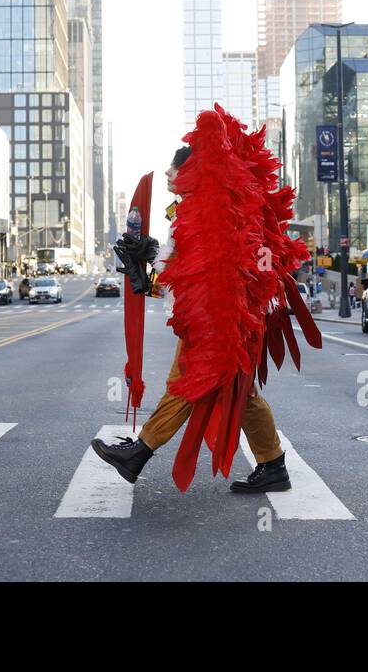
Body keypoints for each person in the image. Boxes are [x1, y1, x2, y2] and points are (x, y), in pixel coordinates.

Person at [91, 114, 321, 495]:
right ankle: (272, 464)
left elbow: (199, 278)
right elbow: (186, 276)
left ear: (193, 171)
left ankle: (140, 452)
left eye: (175, 166)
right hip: (229, 318)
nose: (167, 171)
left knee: (189, 381)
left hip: (224, 321)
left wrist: (143, 273)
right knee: (241, 393)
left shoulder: (210, 212)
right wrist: (148, 260)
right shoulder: (201, 209)